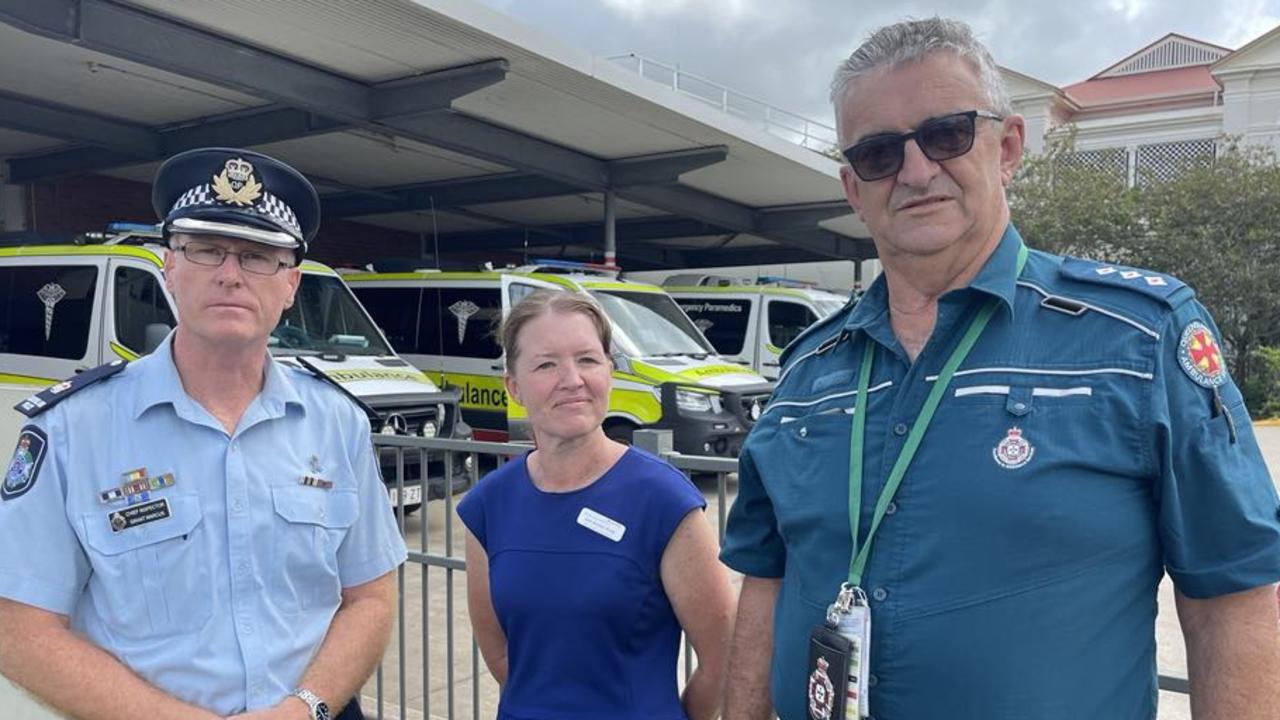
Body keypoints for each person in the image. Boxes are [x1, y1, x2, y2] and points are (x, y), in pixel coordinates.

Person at [720, 17, 1280, 720]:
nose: (916, 170)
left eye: (947, 134)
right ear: (853, 188)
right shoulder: (808, 371)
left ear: (1008, 145)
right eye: (879, 153)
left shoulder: (1139, 340)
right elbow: (764, 584)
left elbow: (1232, 594)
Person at [0, 147, 407, 720]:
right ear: (169, 266)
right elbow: (19, 629)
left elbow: (369, 597)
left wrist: (304, 707)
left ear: (291, 284)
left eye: (259, 256)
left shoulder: (337, 420)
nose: (230, 274)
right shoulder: (72, 429)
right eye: (207, 249)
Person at [459, 289, 735, 720]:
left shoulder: (664, 502)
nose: (572, 379)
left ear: (609, 371)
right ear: (513, 387)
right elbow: (503, 660)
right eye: (547, 364)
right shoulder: (486, 508)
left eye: (588, 359)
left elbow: (725, 655)